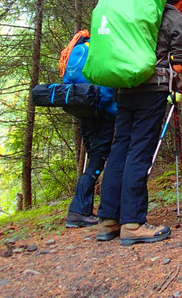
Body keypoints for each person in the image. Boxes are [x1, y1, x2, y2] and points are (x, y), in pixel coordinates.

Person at [96, 0, 182, 244]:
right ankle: (133, 223)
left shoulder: (141, 13)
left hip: (126, 88)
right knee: (139, 152)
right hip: (152, 91)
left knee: (120, 148)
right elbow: (179, 64)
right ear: (180, 1)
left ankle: (108, 221)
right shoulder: (174, 19)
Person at [59, 32, 117, 228]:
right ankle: (78, 211)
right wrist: (118, 111)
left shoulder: (76, 50)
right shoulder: (99, 50)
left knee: (94, 157)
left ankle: (82, 209)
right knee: (98, 159)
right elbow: (106, 90)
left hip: (83, 110)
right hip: (101, 112)